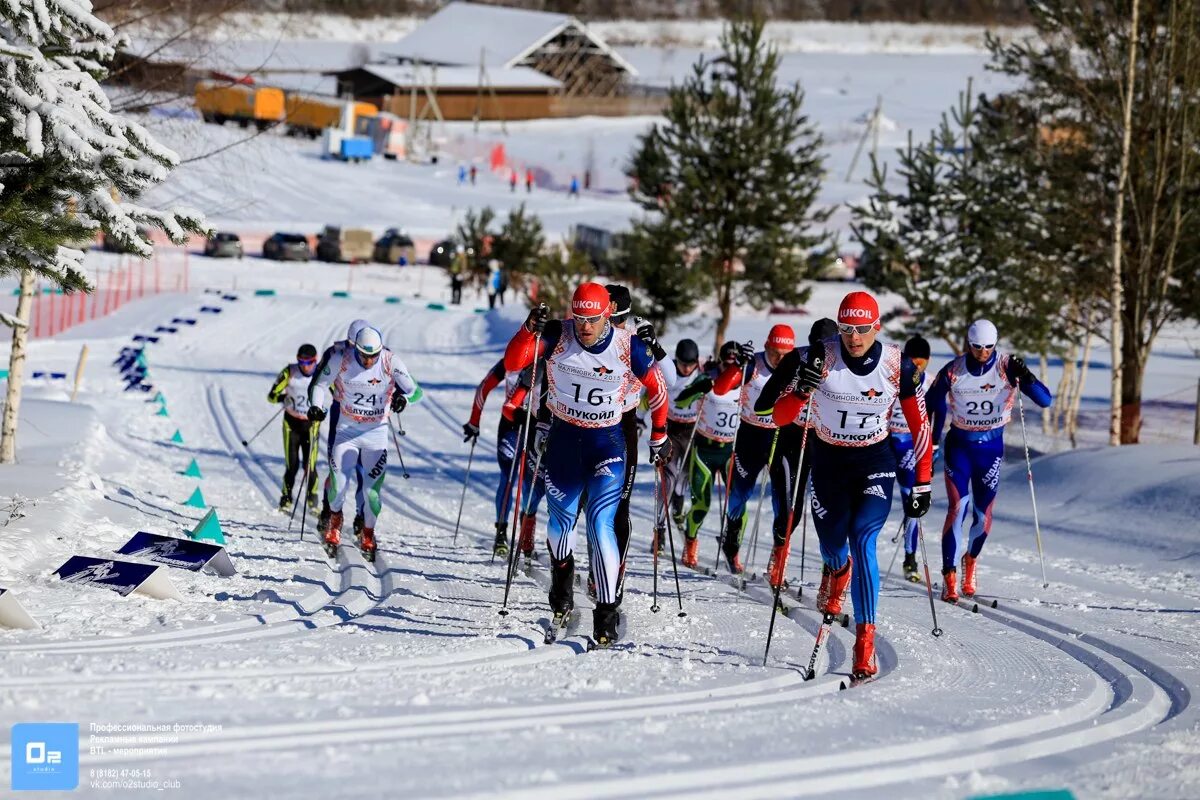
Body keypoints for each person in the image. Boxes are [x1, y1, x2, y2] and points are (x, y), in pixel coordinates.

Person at [772, 291, 933, 680]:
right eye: (846, 329)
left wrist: (923, 483)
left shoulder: (899, 366)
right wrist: (800, 391)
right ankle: (836, 568)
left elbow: (920, 426)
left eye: (862, 329)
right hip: (828, 461)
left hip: (873, 461)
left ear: (877, 327)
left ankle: (865, 643)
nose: (854, 338)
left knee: (863, 538)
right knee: (832, 544)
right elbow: (779, 417)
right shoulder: (819, 357)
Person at [504, 283, 669, 647]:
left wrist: (659, 434)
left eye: (592, 319)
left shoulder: (628, 346)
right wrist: (527, 329)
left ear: (606, 313)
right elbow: (514, 363)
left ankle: (606, 613)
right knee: (560, 528)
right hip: (564, 441)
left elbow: (658, 390)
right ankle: (561, 592)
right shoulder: (556, 334)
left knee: (600, 522)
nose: (585, 327)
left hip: (607, 442)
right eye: (579, 318)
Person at [925, 319, 1052, 601]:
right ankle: (949, 574)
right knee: (957, 509)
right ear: (968, 344)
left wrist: (1027, 377)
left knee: (982, 515)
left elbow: (1045, 401)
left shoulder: (1007, 367)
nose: (983, 352)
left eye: (988, 347)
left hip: (990, 449)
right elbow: (932, 401)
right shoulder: (954, 370)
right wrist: (933, 436)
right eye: (977, 347)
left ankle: (970, 561)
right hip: (959, 447)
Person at [308, 326, 421, 562]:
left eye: (374, 355)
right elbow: (319, 385)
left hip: (376, 435)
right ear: (356, 349)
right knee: (338, 486)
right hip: (346, 432)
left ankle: (368, 532)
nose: (369, 360)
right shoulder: (342, 359)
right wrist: (317, 407)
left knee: (371, 494)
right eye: (364, 355)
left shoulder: (390, 361)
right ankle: (335, 521)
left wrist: (404, 399)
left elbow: (415, 391)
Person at [752, 317, 839, 588]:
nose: (823, 354)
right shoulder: (795, 359)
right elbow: (762, 406)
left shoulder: (844, 365)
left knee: (832, 514)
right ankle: (778, 564)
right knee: (792, 509)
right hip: (792, 439)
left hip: (828, 443)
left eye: (830, 346)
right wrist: (791, 396)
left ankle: (830, 578)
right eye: (819, 347)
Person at [603, 284, 676, 597]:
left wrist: (655, 347)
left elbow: (670, 381)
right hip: (589, 420)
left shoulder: (636, 334)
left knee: (620, 505)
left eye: (618, 320)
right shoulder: (591, 330)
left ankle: (614, 569)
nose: (613, 327)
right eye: (609, 320)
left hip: (626, 420)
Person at [709, 325, 795, 574]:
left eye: (786, 353)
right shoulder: (753, 365)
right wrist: (738, 366)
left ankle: (777, 561)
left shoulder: (795, 366)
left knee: (784, 501)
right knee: (739, 495)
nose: (781, 359)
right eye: (776, 352)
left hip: (781, 436)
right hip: (751, 435)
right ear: (767, 347)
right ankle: (731, 539)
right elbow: (720, 389)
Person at [672, 341, 740, 567]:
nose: (730, 367)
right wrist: (701, 389)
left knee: (739, 506)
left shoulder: (746, 381)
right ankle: (690, 543)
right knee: (702, 504)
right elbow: (681, 402)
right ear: (720, 361)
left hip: (729, 450)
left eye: (735, 363)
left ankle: (733, 548)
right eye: (727, 363)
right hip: (704, 450)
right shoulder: (707, 379)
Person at [463, 358, 538, 556]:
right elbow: (484, 387)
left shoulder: (550, 357)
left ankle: (526, 528)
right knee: (508, 476)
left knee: (531, 482)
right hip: (511, 425)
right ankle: (502, 532)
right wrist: (474, 422)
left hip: (537, 427)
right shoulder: (512, 358)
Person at [310, 320, 370, 538]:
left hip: (369, 417)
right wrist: (315, 407)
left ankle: (363, 517)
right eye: (354, 347)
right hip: (340, 412)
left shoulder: (380, 353)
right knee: (337, 469)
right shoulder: (336, 353)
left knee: (365, 471)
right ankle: (329, 511)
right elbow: (317, 382)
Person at [888, 335, 934, 583]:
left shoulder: (931, 383)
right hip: (885, 440)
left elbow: (936, 416)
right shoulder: (892, 375)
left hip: (909, 446)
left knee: (911, 501)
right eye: (913, 360)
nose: (917, 366)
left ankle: (910, 557)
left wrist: (932, 450)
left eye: (922, 361)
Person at [268, 343, 321, 511]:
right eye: (301, 362)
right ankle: (286, 497)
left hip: (311, 425)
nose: (305, 366)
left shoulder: (322, 373)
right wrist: (284, 399)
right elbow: (271, 396)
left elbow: (339, 394)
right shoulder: (289, 371)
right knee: (292, 464)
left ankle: (313, 499)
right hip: (291, 424)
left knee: (310, 465)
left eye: (309, 362)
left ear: (315, 360)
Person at [662, 338, 702, 533]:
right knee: (668, 479)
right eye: (682, 364)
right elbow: (648, 395)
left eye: (691, 364)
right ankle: (659, 529)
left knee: (685, 476)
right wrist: (641, 419)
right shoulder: (666, 371)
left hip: (693, 430)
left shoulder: (702, 375)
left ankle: (678, 502)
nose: (687, 369)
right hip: (671, 429)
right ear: (676, 359)